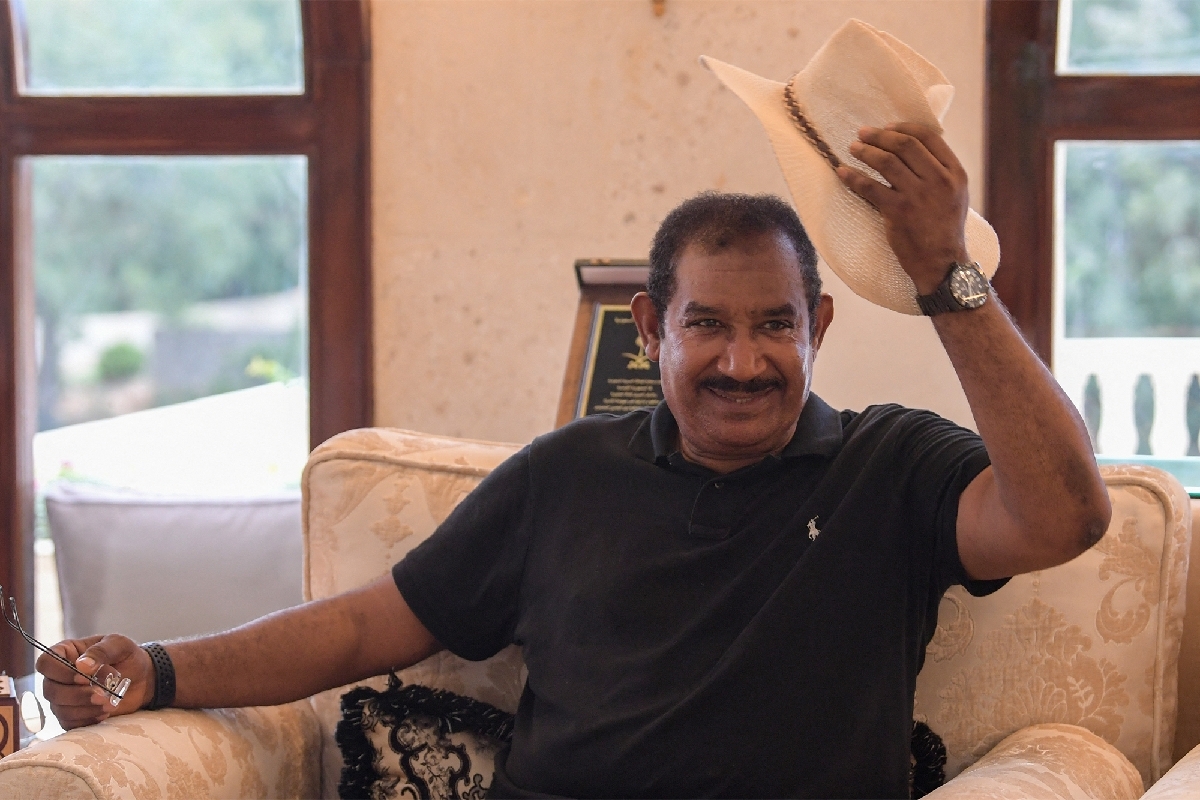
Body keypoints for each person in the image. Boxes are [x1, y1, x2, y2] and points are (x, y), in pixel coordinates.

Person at [38, 125, 1110, 799]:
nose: (744, 361)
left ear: (819, 324)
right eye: (709, 326)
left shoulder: (897, 464)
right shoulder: (562, 475)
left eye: (776, 324)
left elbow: (1066, 517)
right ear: (651, 327)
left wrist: (946, 273)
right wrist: (160, 669)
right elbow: (369, 623)